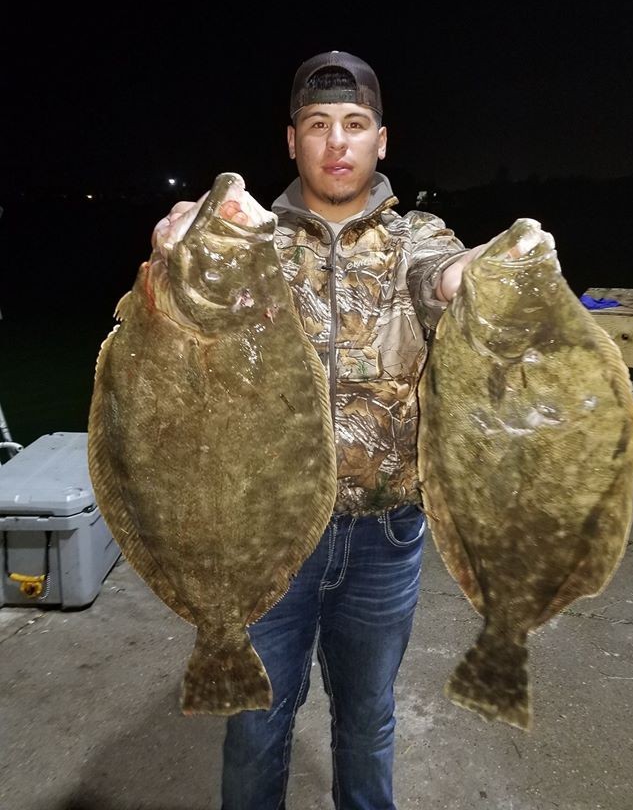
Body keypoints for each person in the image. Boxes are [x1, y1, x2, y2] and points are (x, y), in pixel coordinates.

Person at [160, 51, 485, 810]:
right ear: (291, 141)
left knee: (368, 722)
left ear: (381, 140)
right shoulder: (250, 241)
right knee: (254, 726)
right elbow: (179, 323)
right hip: (267, 532)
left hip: (387, 538)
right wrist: (173, 253)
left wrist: (476, 275)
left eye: (354, 124)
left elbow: (441, 279)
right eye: (317, 126)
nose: (336, 142)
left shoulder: (418, 238)